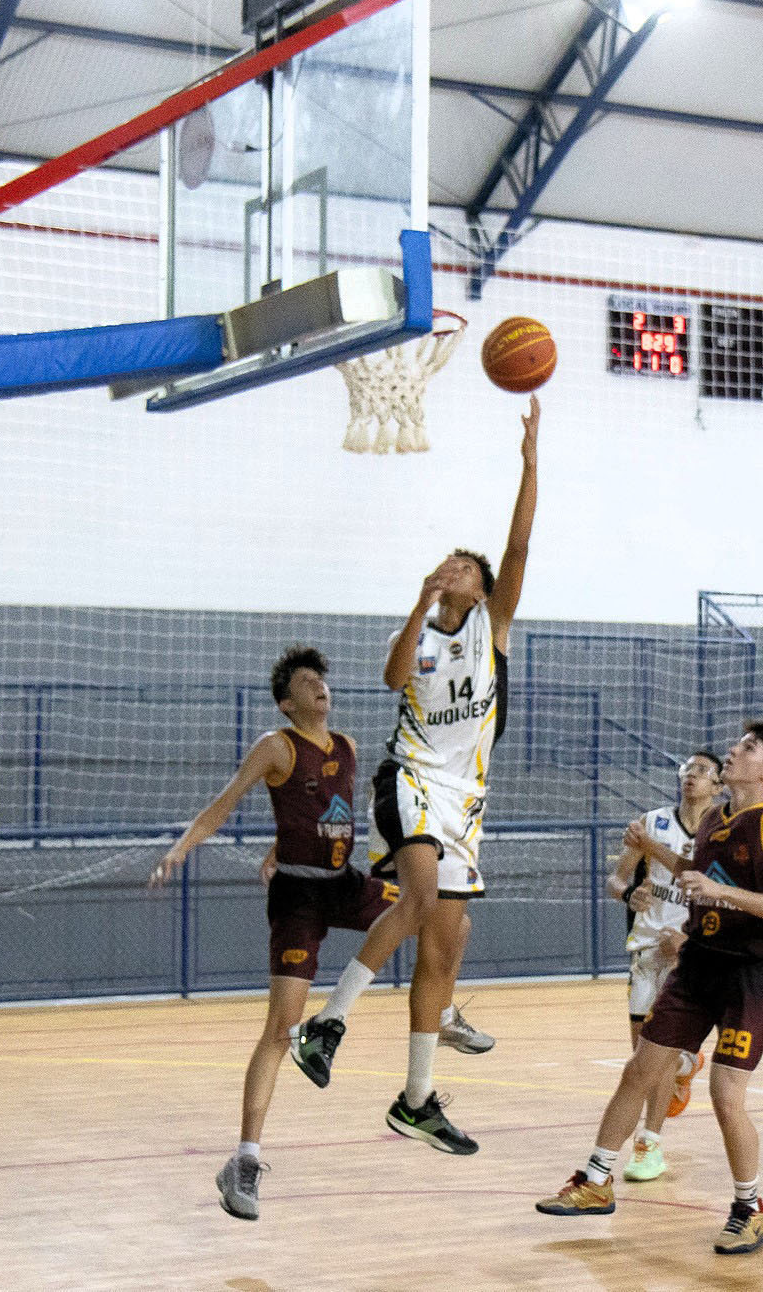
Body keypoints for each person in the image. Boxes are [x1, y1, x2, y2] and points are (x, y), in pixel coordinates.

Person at [290, 397, 540, 1155]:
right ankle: (327, 1024)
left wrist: (531, 465)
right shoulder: (425, 635)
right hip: (410, 780)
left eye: (466, 566)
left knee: (445, 943)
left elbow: (519, 546)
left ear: (483, 587)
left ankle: (417, 1098)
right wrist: (419, 600)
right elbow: (392, 674)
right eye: (448, 564)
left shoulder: (494, 627)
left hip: (466, 803)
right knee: (422, 899)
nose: (454, 567)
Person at [150, 646, 411, 1220]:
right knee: (278, 1030)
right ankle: (244, 1159)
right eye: (307, 681)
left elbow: (320, 812)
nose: (320, 686)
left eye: (323, 678)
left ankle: (363, 1019)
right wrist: (180, 849)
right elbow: (224, 804)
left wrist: (277, 843)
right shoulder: (276, 746)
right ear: (286, 702)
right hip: (297, 897)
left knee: (427, 905)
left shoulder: (347, 747)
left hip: (344, 883)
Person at [537, 722, 763, 1257]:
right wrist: (652, 850)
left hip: (746, 975)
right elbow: (693, 870)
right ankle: (596, 1181)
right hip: (697, 966)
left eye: (748, 747)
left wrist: (720, 892)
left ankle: (750, 1210)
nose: (733, 750)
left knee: (726, 1096)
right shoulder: (714, 819)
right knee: (639, 1069)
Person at [601, 748, 723, 1182]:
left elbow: (725, 896)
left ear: (718, 786)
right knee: (643, 1056)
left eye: (703, 770)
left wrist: (690, 938)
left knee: (658, 1054)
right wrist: (626, 893)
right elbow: (617, 877)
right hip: (646, 948)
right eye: (688, 768)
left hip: (691, 955)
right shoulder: (651, 822)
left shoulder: (721, 831)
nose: (692, 774)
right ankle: (687, 1065)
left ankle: (649, 1143)